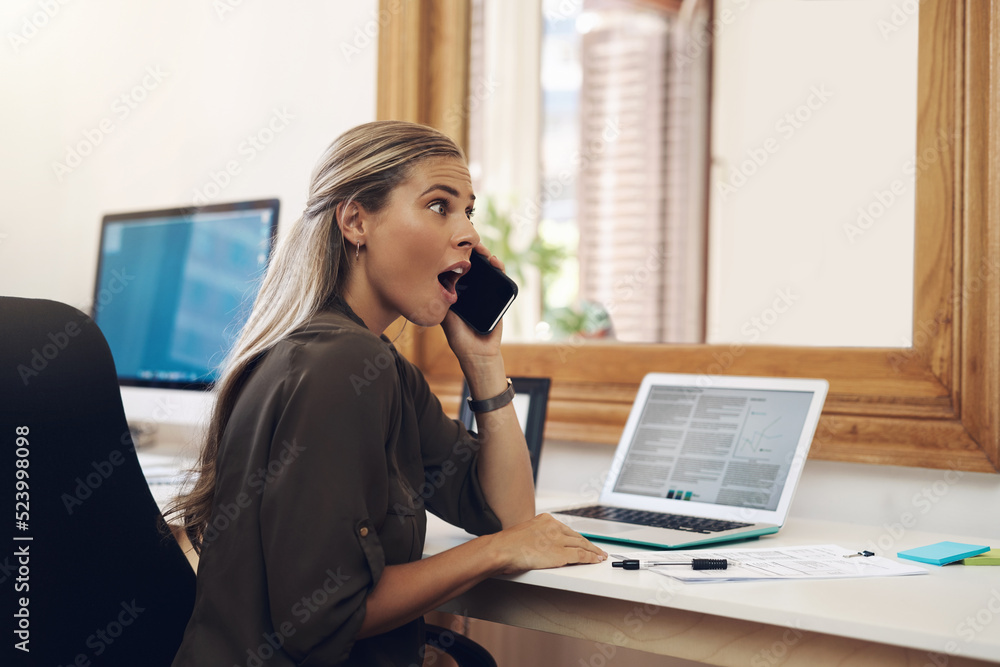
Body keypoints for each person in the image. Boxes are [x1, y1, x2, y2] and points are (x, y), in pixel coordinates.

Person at [168, 120, 607, 666]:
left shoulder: (377, 366)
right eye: (439, 206)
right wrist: (494, 553)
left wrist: (485, 363)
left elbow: (509, 515)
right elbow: (320, 617)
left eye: (468, 210)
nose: (469, 233)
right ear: (355, 221)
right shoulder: (343, 364)